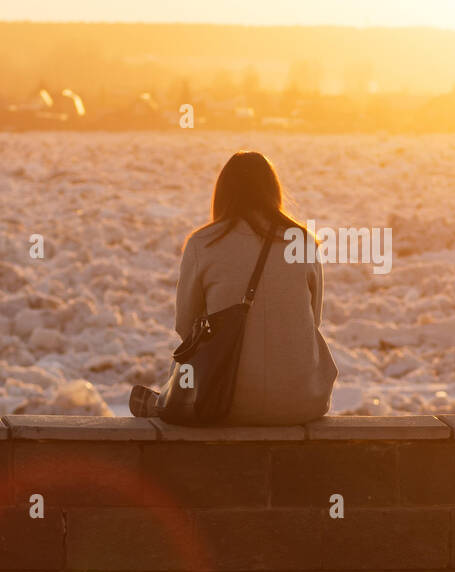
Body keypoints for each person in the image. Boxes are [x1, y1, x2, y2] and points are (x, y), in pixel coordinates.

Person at [130, 151, 338, 425]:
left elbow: (185, 326)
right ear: (273, 191)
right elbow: (314, 319)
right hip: (303, 401)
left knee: (187, 372)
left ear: (224, 193)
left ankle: (166, 402)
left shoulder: (203, 243)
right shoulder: (303, 242)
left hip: (222, 402)